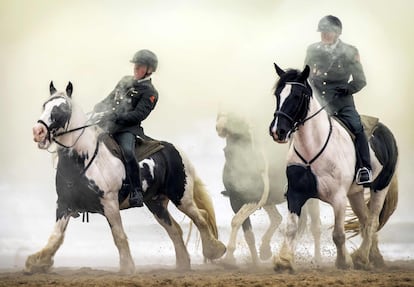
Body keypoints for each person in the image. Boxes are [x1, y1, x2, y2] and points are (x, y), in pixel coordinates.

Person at [304, 15, 372, 185]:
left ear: (337, 33)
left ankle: (364, 168)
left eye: (328, 32)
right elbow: (306, 74)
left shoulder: (350, 51)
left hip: (342, 103)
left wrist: (347, 89)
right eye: (322, 32)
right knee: (296, 125)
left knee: (357, 127)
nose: (324, 35)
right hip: (318, 102)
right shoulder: (312, 50)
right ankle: (296, 170)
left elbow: (360, 80)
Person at [94, 49, 159, 207]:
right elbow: (110, 99)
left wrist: (117, 117)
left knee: (128, 153)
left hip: (127, 130)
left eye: (140, 66)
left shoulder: (150, 92)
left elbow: (139, 115)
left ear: (149, 70)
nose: (136, 68)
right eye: (135, 65)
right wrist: (98, 107)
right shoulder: (125, 81)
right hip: (107, 125)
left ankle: (136, 191)